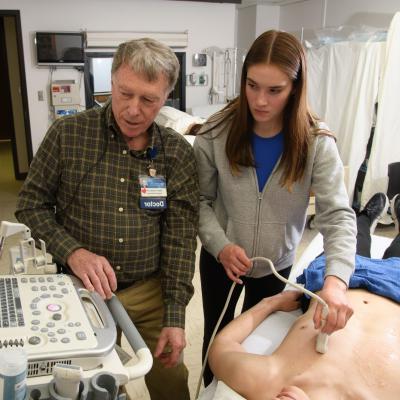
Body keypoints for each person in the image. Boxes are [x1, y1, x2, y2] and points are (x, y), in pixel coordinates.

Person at [15, 38, 199, 400]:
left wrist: (175, 315)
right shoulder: (68, 135)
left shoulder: (175, 153)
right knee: (88, 384)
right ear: (111, 81)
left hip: (150, 292)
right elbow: (30, 205)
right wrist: (74, 253)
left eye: (149, 99)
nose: (133, 110)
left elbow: (180, 237)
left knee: (171, 380)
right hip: (79, 289)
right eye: (124, 93)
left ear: (167, 97)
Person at [193, 29, 356, 385]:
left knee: (258, 348)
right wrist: (220, 246)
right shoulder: (215, 132)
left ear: (295, 88)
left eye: (274, 90)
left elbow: (338, 216)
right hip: (220, 260)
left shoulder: (316, 142)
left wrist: (336, 281)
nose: (260, 101)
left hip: (275, 265)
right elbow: (199, 201)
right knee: (216, 340)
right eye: (252, 86)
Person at [208, 192, 400, 400]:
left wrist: (271, 303)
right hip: (396, 291)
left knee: (354, 237)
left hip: (329, 282)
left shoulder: (266, 382)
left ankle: (364, 218)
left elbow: (221, 348)